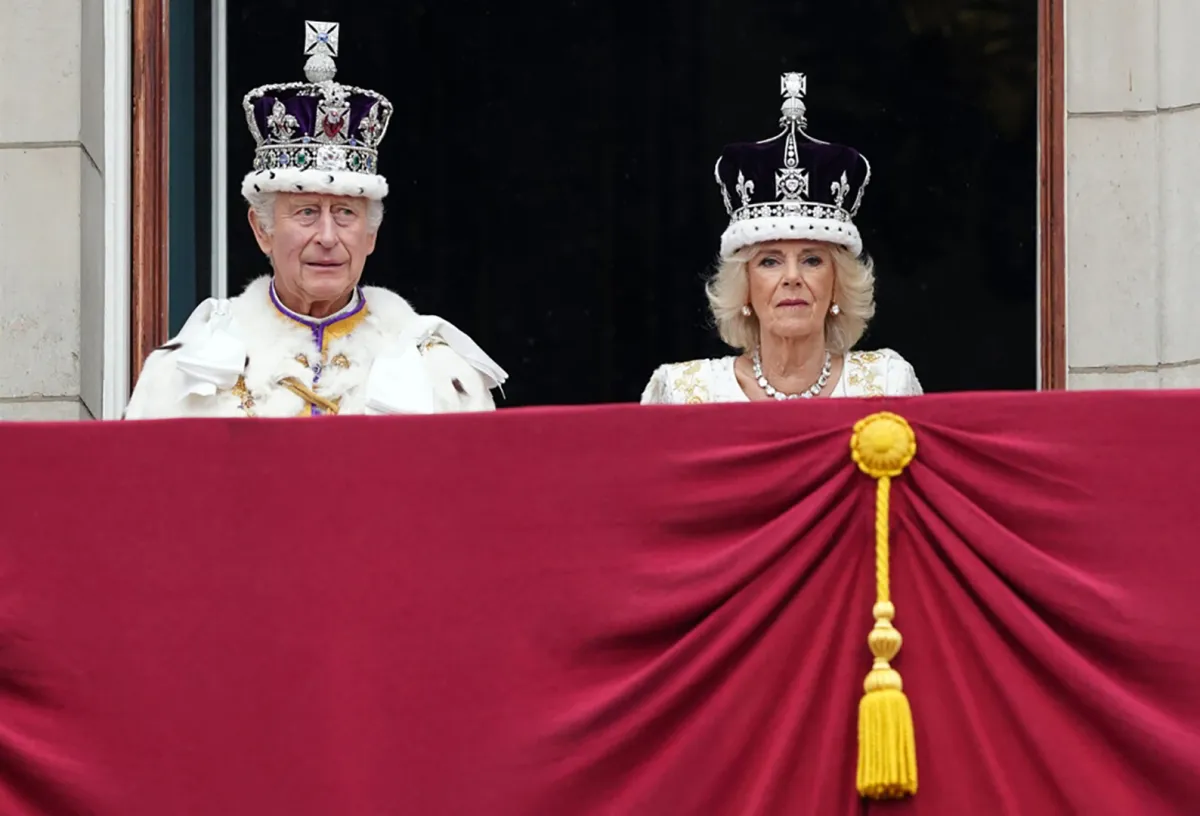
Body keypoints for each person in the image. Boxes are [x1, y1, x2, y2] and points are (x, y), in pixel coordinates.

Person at [125, 20, 505, 419]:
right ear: (262, 230)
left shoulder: (440, 373)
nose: (327, 236)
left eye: (345, 214)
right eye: (306, 212)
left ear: (371, 234)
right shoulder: (184, 370)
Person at [641, 72, 921, 405]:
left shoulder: (886, 384)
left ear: (837, 282)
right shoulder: (685, 394)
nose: (792, 277)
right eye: (769, 261)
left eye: (812, 259)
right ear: (744, 284)